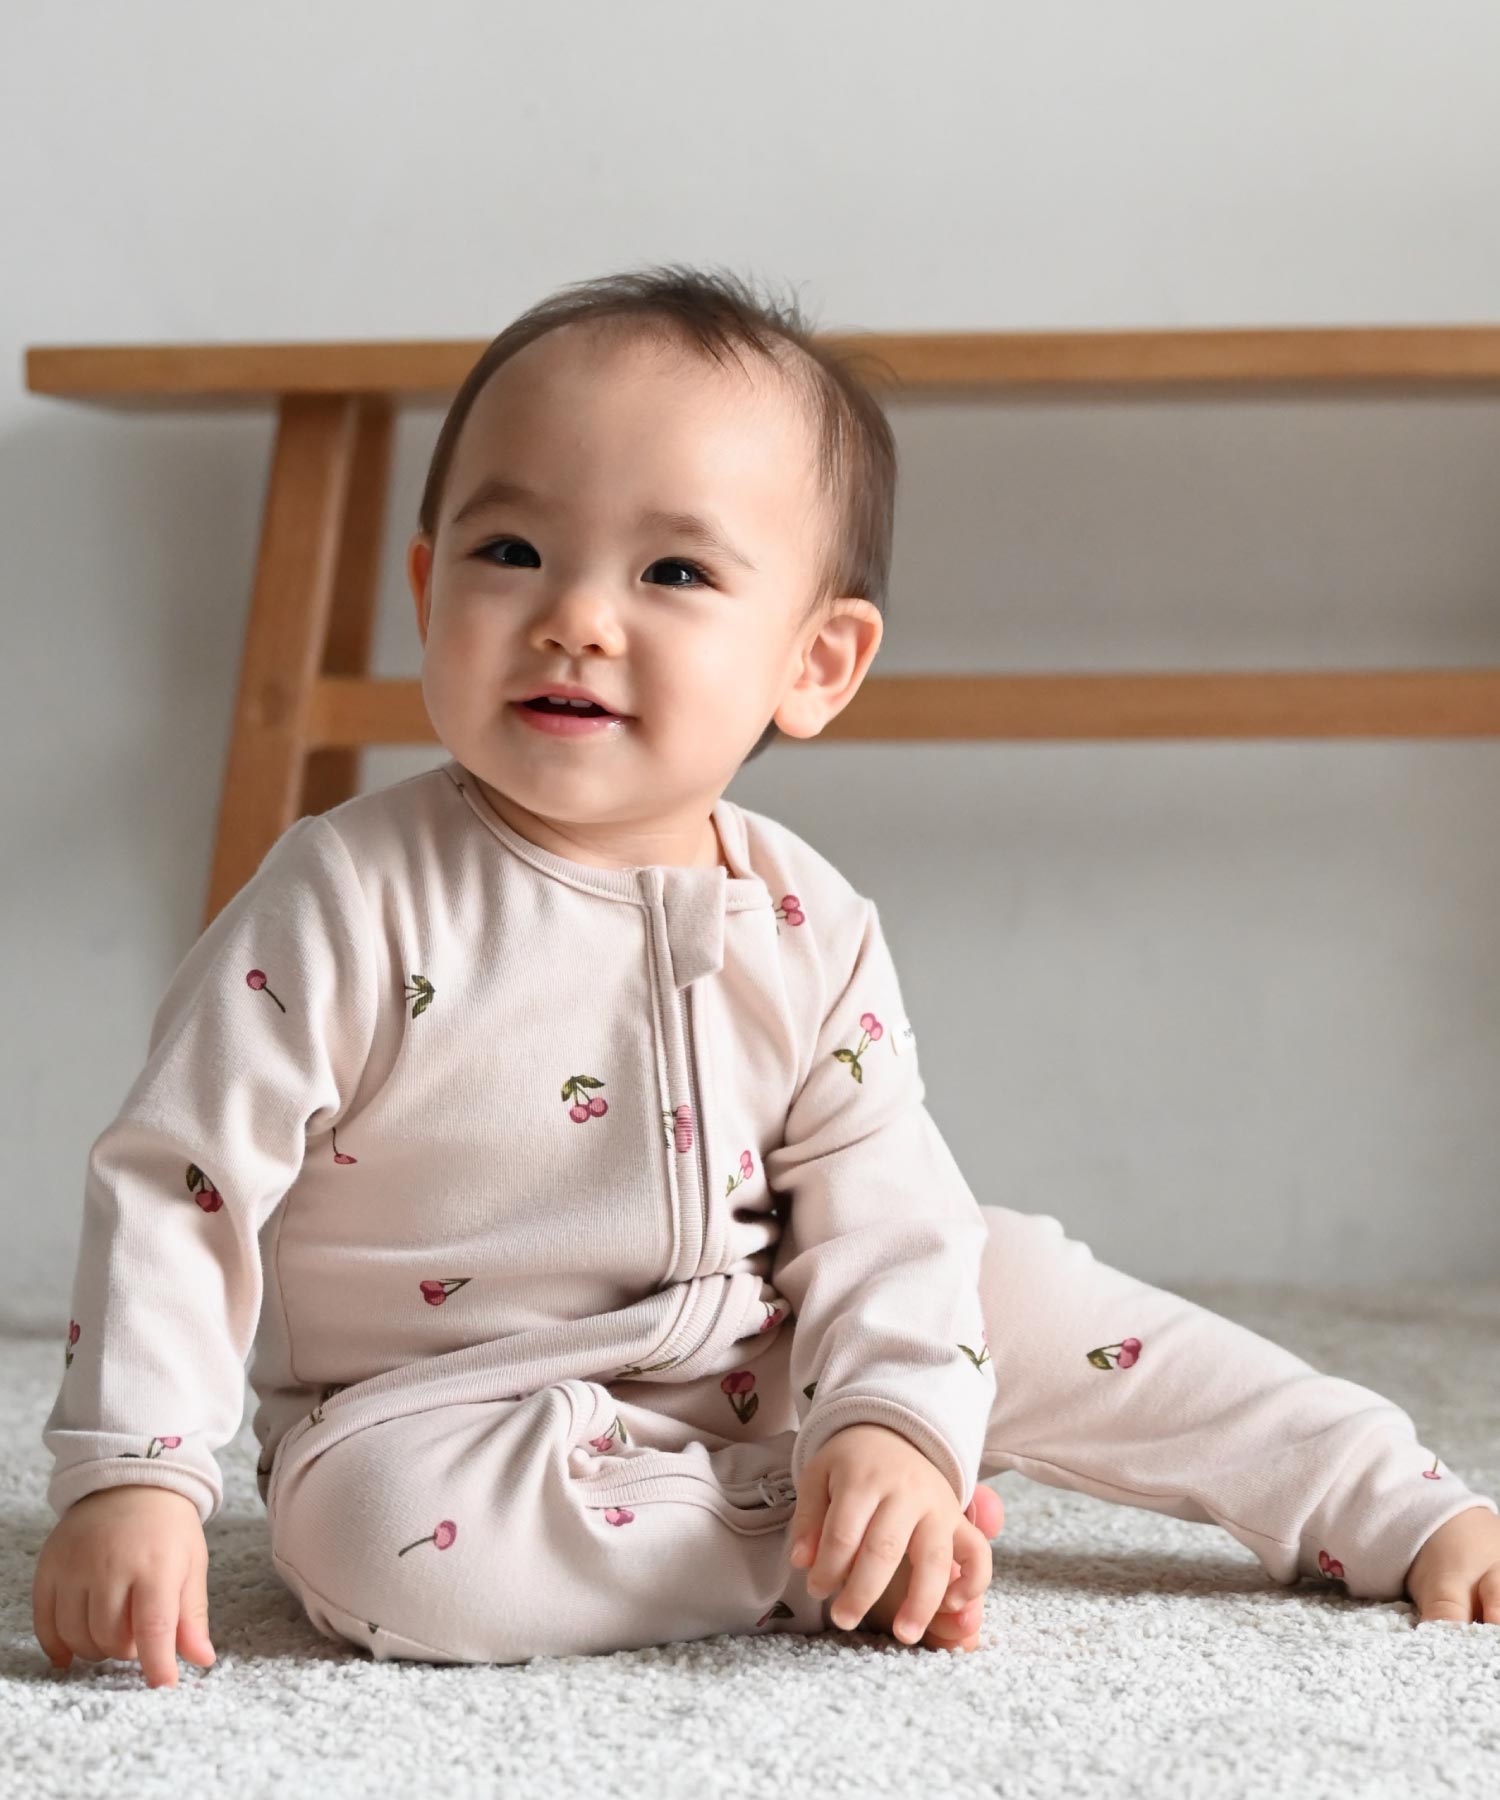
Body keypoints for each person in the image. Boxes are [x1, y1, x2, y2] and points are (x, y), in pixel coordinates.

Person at [33, 265, 1499, 1689]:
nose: (575, 616)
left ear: (817, 663)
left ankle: (1378, 1493)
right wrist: (135, 1478)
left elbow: (882, 1204)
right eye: (511, 552)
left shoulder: (812, 919)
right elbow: (181, 1184)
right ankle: (819, 1542)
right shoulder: (345, 896)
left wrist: (894, 1413)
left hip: (768, 1339)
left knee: (1004, 1276)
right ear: (427, 589)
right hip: (440, 1418)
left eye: (672, 571)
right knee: (383, 1548)